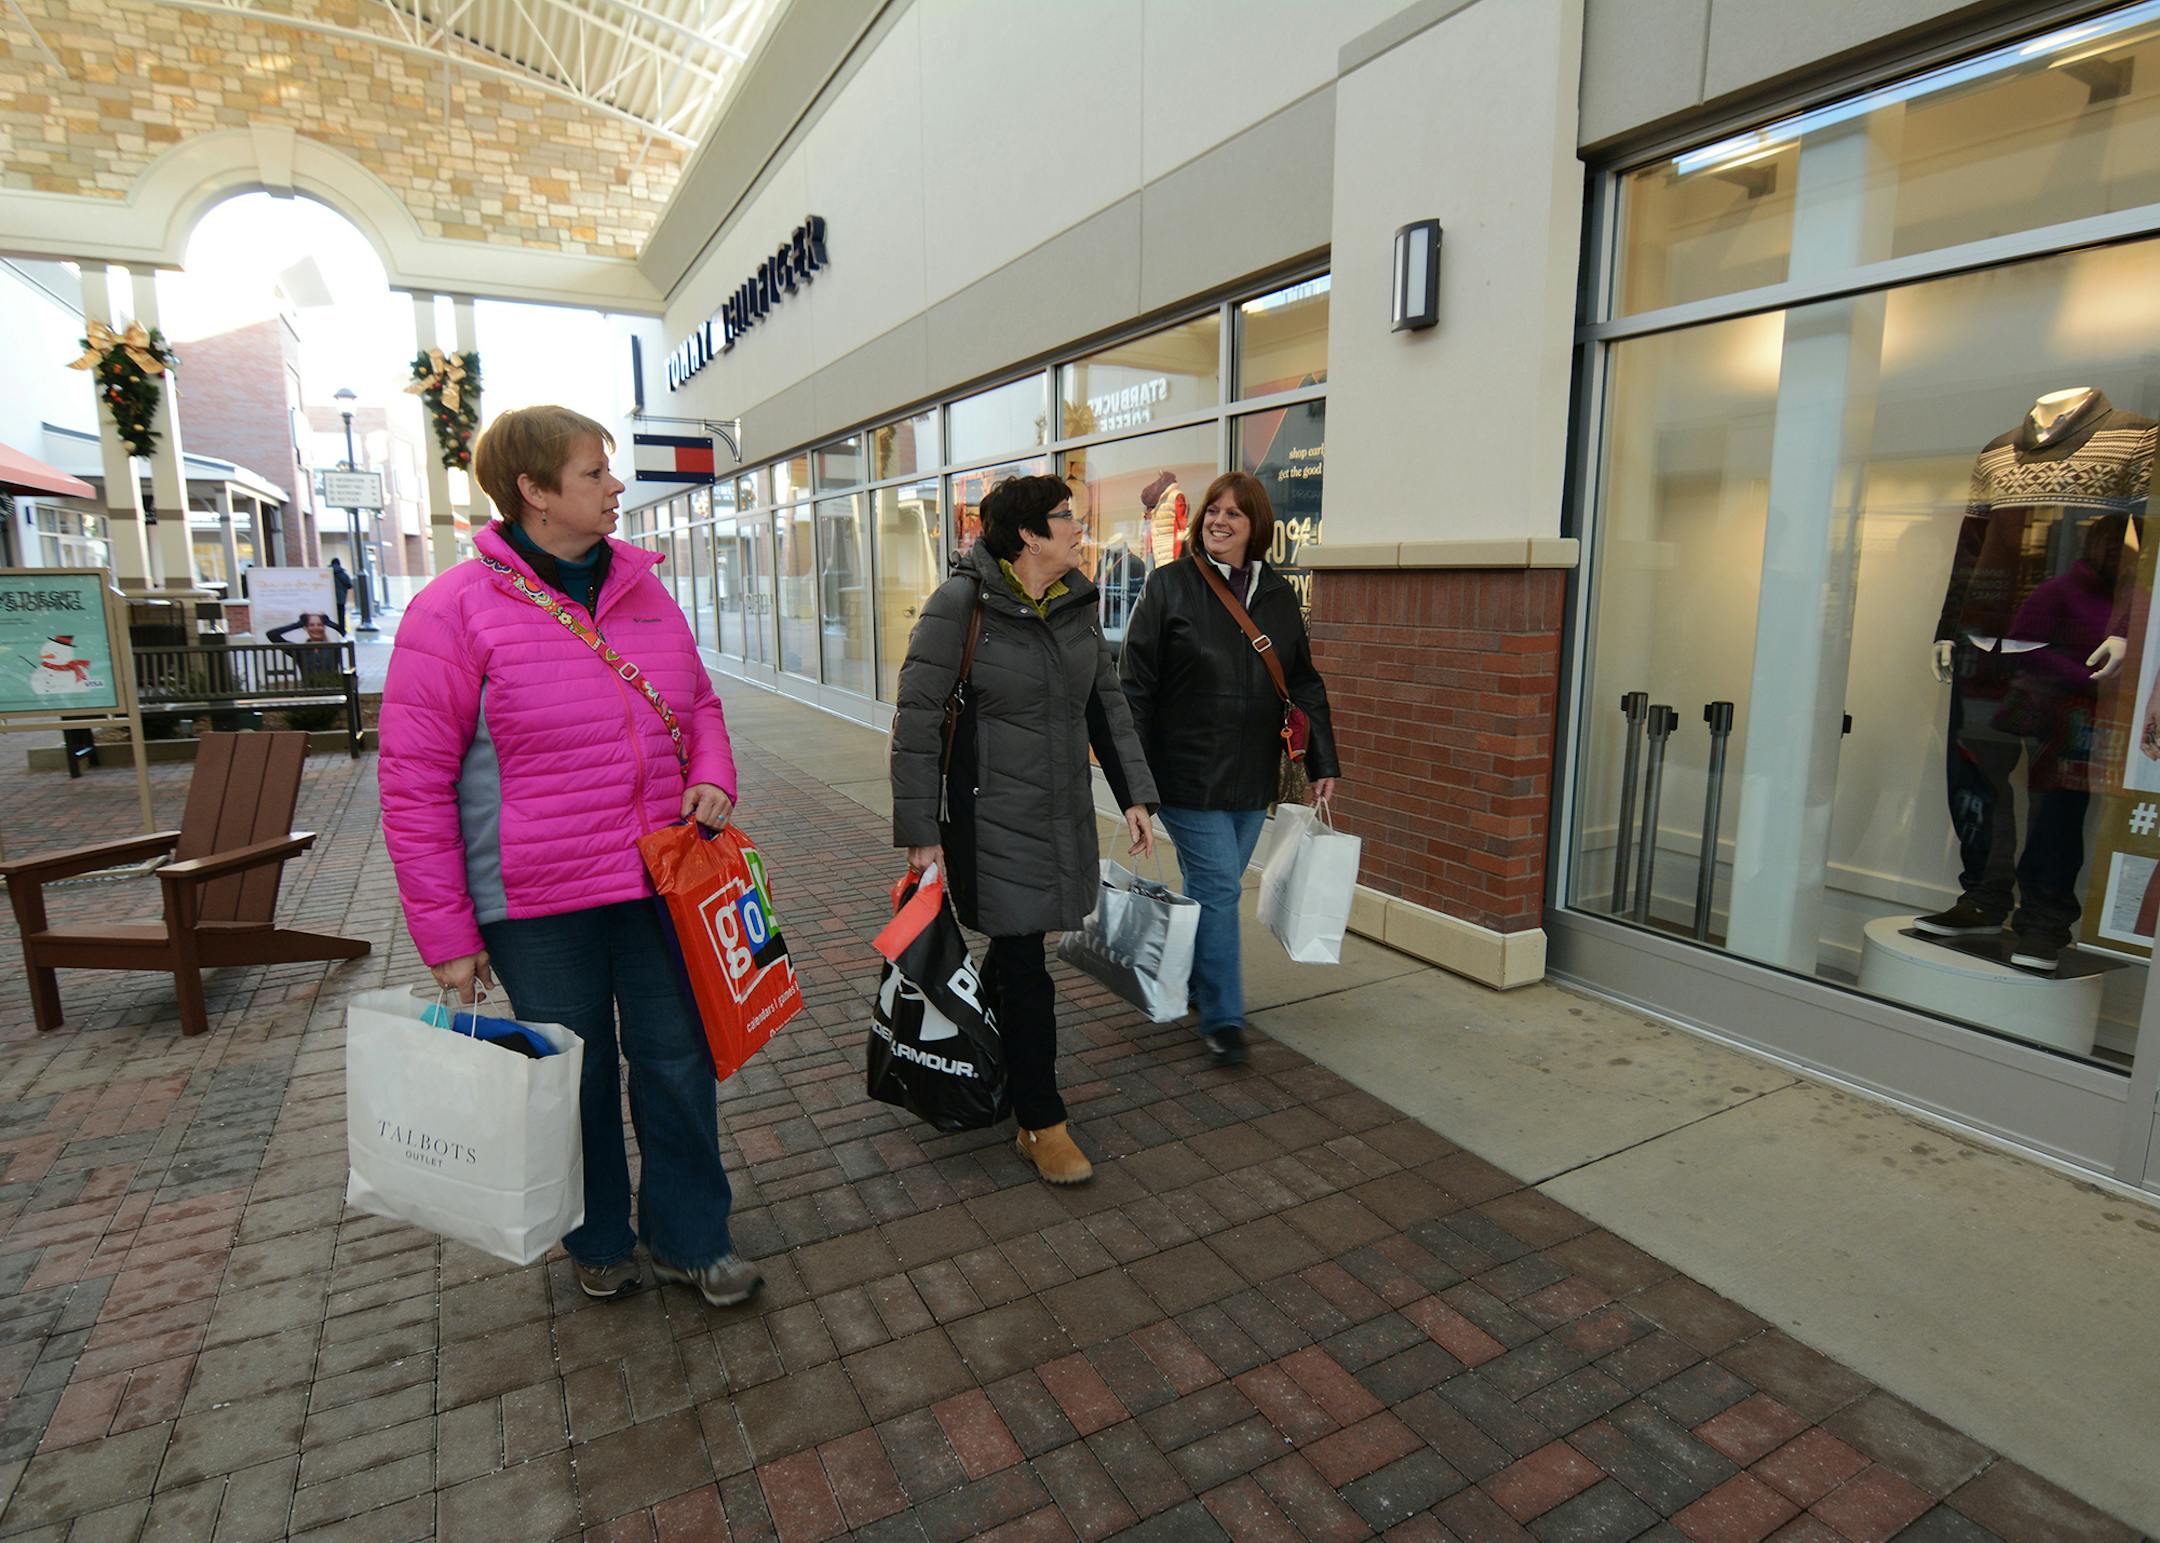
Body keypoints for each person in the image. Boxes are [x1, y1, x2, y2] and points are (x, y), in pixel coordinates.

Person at [378, 404, 758, 1307]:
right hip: (537, 903)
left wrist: (711, 774)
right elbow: (413, 785)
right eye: (594, 472)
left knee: (678, 1061)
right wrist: (447, 935)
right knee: (570, 1077)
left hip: (660, 878)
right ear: (535, 493)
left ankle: (691, 1236)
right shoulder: (452, 612)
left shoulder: (645, 591)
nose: (615, 485)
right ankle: (595, 1236)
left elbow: (699, 702)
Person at [890, 474, 1159, 1185]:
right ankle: (1042, 1120)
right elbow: (917, 721)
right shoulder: (962, 603)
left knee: (1018, 952)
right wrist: (921, 828)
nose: (1079, 527)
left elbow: (1107, 703)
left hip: (1059, 809)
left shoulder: (1075, 601)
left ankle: (981, 1051)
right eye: (1066, 518)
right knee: (1027, 961)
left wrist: (1135, 795)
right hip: (988, 815)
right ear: (1029, 535)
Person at [1118, 470, 1342, 1065]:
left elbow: (1302, 681)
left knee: (1209, 890)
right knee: (1218, 889)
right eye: (1213, 510)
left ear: (1255, 527)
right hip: (1185, 772)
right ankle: (1223, 1018)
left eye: (1233, 514)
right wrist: (1135, 786)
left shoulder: (1276, 595)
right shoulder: (1169, 586)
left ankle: (1192, 983)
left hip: (1251, 775)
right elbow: (1134, 688)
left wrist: (1323, 760)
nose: (1218, 520)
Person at [328, 557, 354, 633]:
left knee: (331, 616)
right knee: (341, 616)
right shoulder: (343, 574)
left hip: (329, 599)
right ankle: (342, 631)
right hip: (341, 599)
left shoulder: (327, 573)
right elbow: (349, 585)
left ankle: (333, 632)